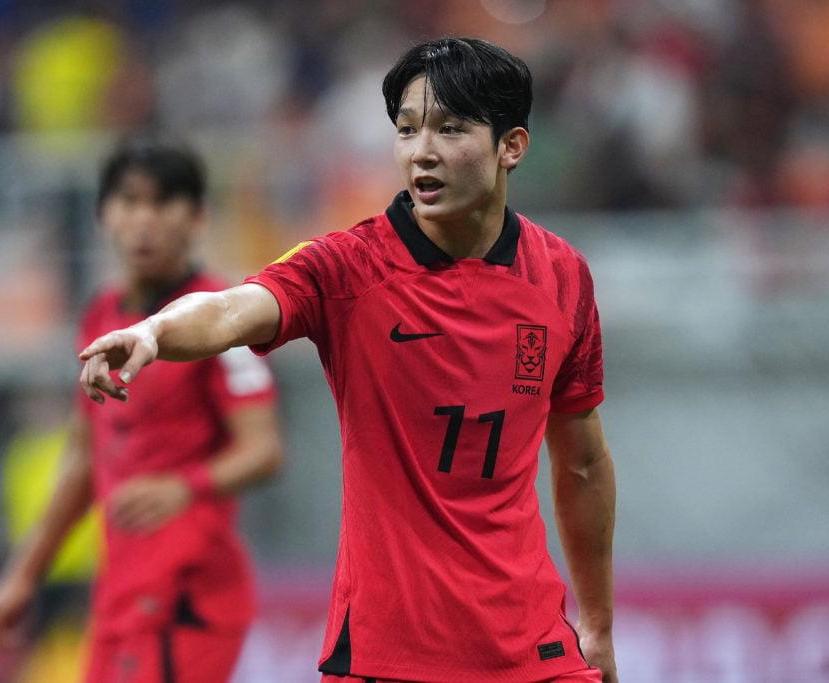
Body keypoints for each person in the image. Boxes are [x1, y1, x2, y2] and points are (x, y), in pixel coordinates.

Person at [79, 37, 618, 683]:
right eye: (407, 129)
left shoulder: (562, 276)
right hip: (387, 654)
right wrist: (156, 330)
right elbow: (230, 309)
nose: (422, 151)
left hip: (532, 649)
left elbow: (582, 460)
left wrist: (598, 624)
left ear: (512, 146)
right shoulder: (346, 266)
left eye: (450, 129)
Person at [0, 138, 284, 683]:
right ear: (103, 215)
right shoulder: (101, 313)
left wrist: (183, 485)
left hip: (187, 589)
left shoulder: (219, 318)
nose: (144, 221)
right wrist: (24, 574)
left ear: (196, 218)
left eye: (164, 203)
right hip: (120, 589)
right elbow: (81, 459)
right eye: (129, 202)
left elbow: (263, 450)